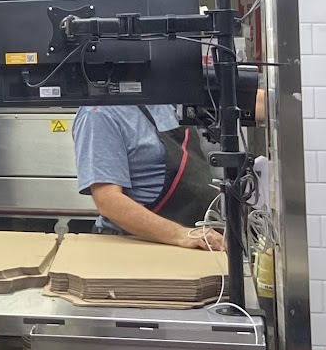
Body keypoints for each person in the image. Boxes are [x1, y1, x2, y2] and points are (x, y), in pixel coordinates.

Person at [71, 102, 225, 250]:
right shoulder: (99, 114)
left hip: (197, 234)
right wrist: (180, 234)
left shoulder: (166, 99)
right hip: (137, 244)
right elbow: (108, 201)